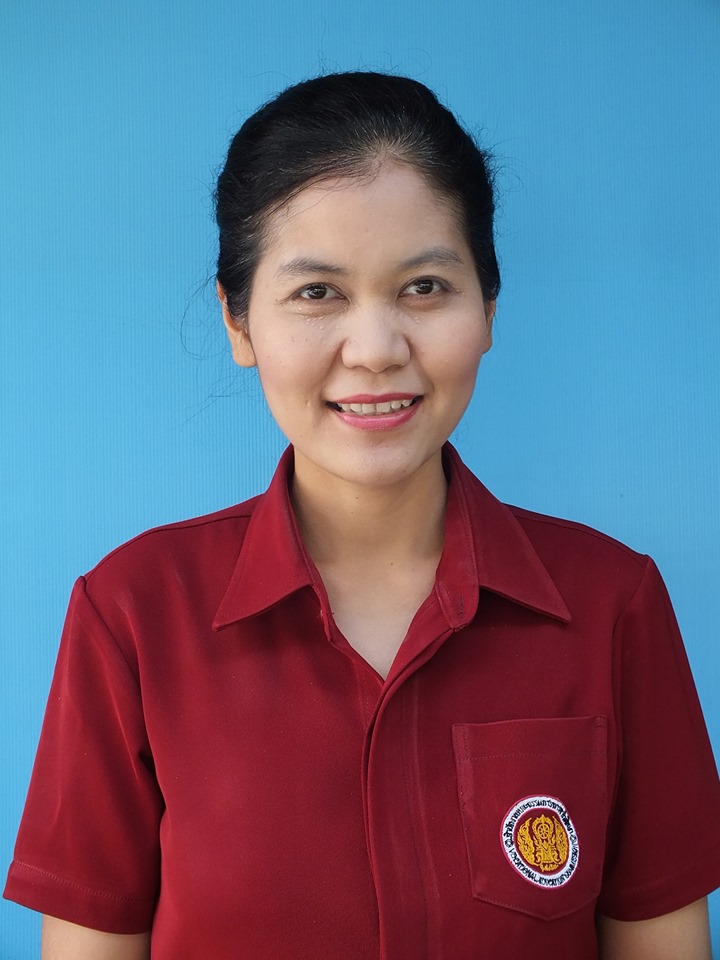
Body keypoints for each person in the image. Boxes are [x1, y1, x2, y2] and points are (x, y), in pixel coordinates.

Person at [4, 72, 720, 960]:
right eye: (317, 293)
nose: (377, 349)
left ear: (488, 307)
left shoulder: (614, 606)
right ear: (238, 322)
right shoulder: (133, 615)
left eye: (425, 286)